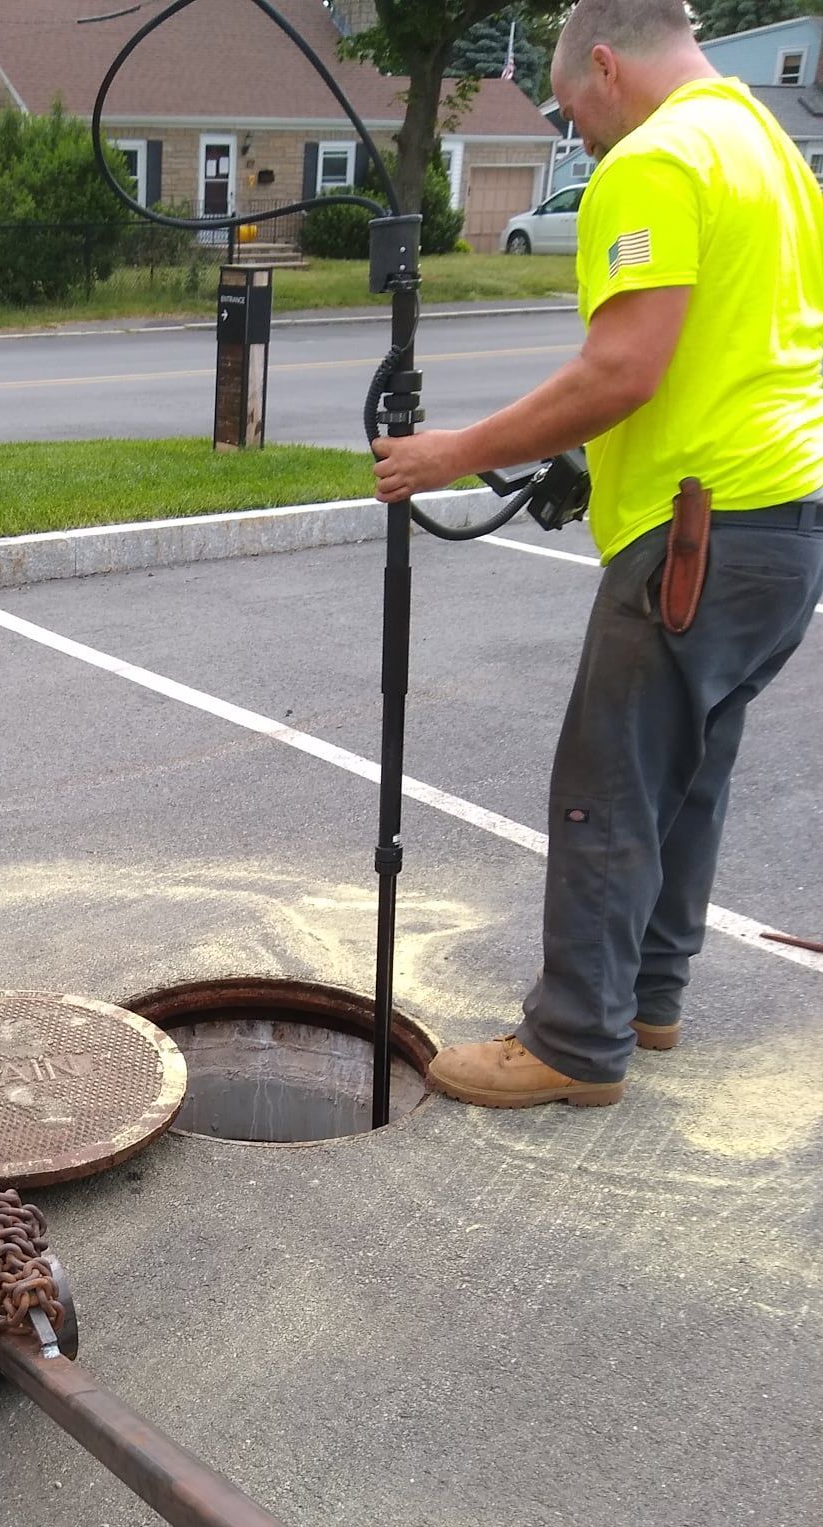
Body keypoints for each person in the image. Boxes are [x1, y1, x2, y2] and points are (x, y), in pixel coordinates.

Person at [372, 0, 823, 1109]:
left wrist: (450, 453)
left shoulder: (658, 158)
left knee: (608, 782)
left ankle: (576, 1040)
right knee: (690, 770)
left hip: (697, 530)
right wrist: (592, 454)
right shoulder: (768, 148)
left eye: (575, 112)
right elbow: (731, 344)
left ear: (607, 67)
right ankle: (651, 995)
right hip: (787, 518)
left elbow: (624, 367)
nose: (582, 140)